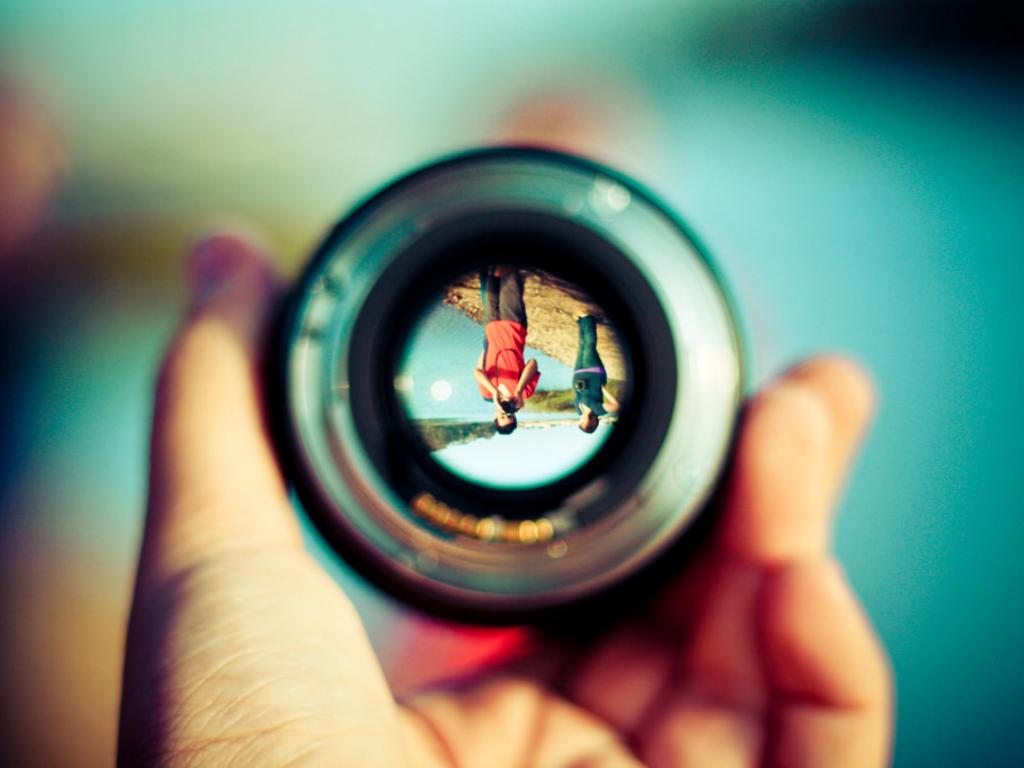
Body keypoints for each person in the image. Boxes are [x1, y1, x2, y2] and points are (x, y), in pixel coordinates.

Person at [119, 233, 892, 766]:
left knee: (505, 296)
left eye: (506, 416)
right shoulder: (514, 384)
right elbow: (527, 375)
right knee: (511, 298)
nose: (506, 413)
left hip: (513, 340)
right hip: (519, 342)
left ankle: (512, 278)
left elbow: (508, 374)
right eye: (507, 416)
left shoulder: (506, 385)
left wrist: (504, 388)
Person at [473, 266, 540, 435]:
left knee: (492, 280)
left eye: (502, 416)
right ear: (515, 414)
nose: (506, 411)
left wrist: (494, 392)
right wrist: (518, 391)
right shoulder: (525, 393)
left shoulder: (487, 392)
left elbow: (477, 371)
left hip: (491, 327)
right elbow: (533, 363)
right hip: (514, 327)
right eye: (510, 415)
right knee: (509, 279)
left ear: (495, 415)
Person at [572, 313, 620, 433]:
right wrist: (604, 390)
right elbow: (616, 407)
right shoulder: (598, 410)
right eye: (583, 423)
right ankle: (588, 319)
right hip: (594, 372)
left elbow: (577, 394)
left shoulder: (579, 410)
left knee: (582, 345)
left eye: (580, 422)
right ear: (592, 423)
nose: (581, 420)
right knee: (589, 345)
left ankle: (581, 322)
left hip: (578, 371)